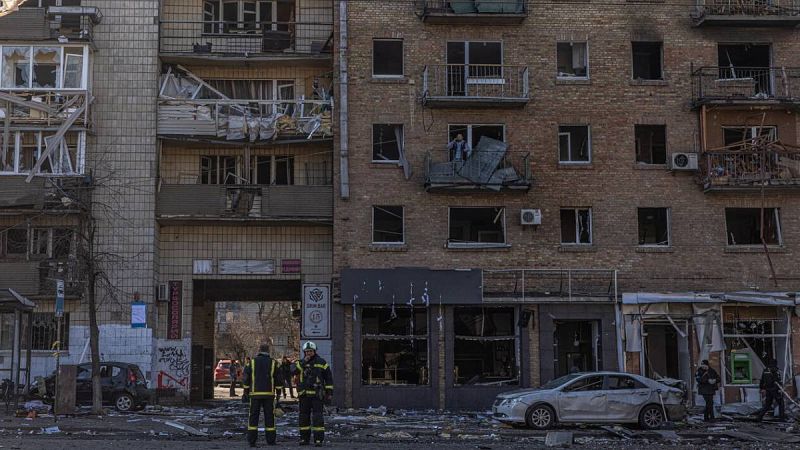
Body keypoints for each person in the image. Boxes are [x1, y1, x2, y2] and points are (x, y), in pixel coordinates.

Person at [291, 341, 333, 446]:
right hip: (304, 395)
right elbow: (293, 371)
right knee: (304, 418)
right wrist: (303, 362)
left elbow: (328, 379)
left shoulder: (321, 362)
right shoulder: (300, 363)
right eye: (306, 351)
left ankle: (318, 440)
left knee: (318, 418)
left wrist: (329, 393)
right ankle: (304, 439)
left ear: (314, 351)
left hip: (317, 395)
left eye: (310, 351)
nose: (308, 353)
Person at [242, 343, 283, 447]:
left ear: (259, 351)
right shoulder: (274, 363)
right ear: (268, 351)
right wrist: (278, 395)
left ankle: (252, 441)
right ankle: (271, 441)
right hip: (269, 395)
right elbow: (279, 381)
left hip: (254, 395)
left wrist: (245, 392)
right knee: (269, 417)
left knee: (253, 417)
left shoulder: (251, 363)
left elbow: (246, 378)